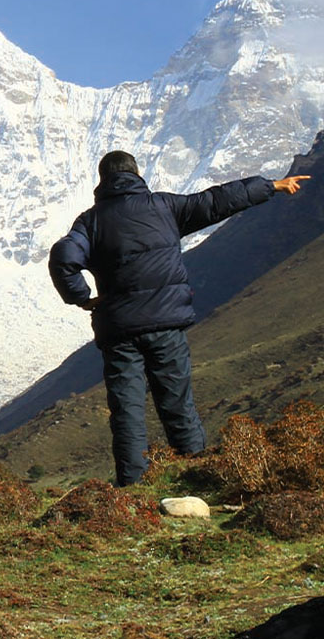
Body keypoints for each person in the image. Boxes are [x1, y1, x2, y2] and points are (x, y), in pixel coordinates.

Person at [48, 150, 309, 486]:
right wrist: (271, 186)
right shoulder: (165, 207)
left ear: (103, 180)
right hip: (166, 325)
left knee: (127, 411)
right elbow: (218, 201)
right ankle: (197, 478)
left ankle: (131, 487)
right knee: (177, 405)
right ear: (136, 174)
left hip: (120, 331)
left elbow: (63, 257)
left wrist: (82, 298)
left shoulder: (90, 222)